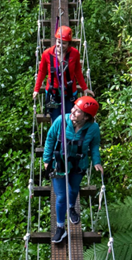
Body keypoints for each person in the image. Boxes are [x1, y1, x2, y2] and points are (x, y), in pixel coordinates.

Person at [43, 96, 103, 244]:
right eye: (74, 108)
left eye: (77, 111)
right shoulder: (61, 120)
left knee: (74, 189)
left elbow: (94, 145)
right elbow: (50, 138)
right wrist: (46, 159)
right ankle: (60, 228)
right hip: (59, 164)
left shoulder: (93, 128)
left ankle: (71, 208)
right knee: (61, 196)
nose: (72, 111)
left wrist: (96, 161)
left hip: (78, 164)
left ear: (86, 116)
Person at [33, 26, 92, 122]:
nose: (60, 46)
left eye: (63, 43)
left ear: (69, 44)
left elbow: (78, 72)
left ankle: (67, 137)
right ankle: (57, 137)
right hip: (53, 93)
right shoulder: (47, 54)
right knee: (56, 120)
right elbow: (42, 72)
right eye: (58, 42)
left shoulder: (74, 54)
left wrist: (85, 88)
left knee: (70, 119)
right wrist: (36, 89)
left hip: (69, 93)